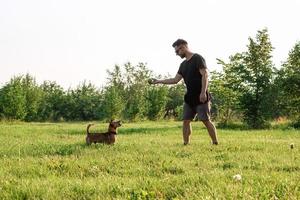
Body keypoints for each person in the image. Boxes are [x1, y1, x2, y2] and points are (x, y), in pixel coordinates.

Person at [149, 39, 218, 145]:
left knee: (205, 120)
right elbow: (175, 80)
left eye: (177, 51)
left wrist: (203, 92)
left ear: (183, 47)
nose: (177, 54)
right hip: (189, 98)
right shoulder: (183, 65)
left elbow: (205, 75)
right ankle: (186, 143)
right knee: (186, 121)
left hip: (201, 97)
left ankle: (215, 142)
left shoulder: (197, 58)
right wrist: (158, 81)